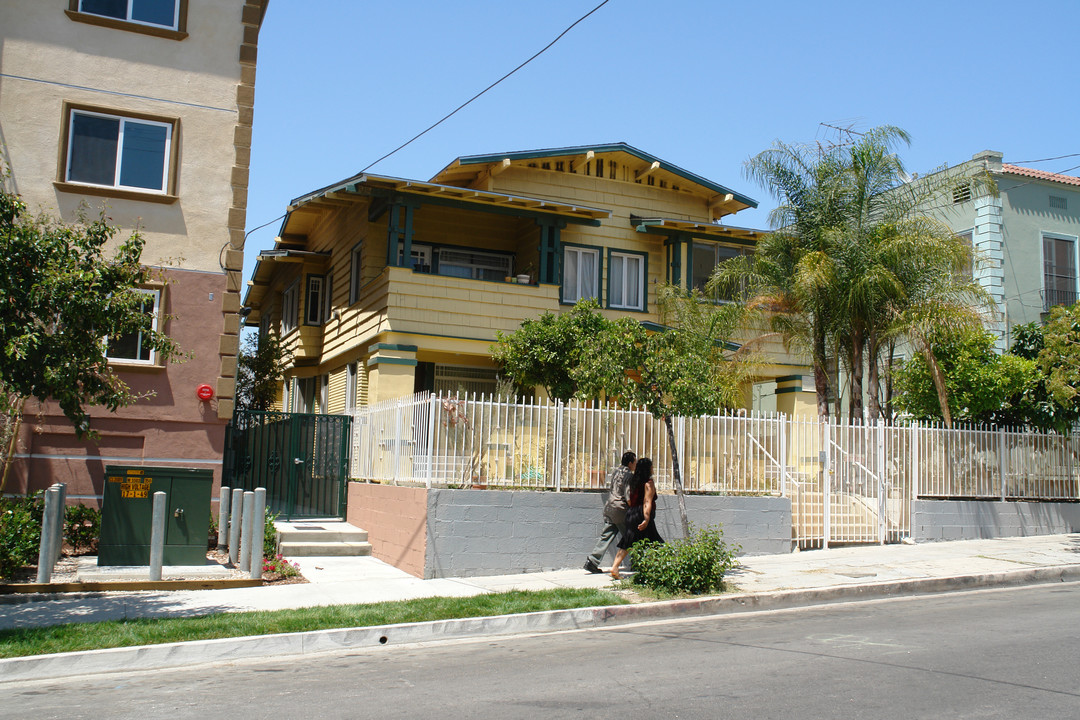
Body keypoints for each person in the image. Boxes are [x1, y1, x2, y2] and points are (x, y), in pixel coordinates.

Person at [610, 456, 663, 580]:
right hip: (641, 514)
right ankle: (661, 568)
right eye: (651, 466)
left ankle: (615, 567)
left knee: (629, 541)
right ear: (647, 469)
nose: (653, 468)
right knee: (655, 543)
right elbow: (647, 501)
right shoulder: (648, 483)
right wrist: (646, 518)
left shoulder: (634, 481)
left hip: (631, 513)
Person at [583, 450, 636, 574]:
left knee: (607, 535)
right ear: (630, 463)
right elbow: (628, 497)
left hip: (610, 507)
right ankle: (638, 562)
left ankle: (592, 561)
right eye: (635, 462)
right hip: (621, 509)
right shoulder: (629, 476)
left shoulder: (616, 472)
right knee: (631, 537)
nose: (636, 465)